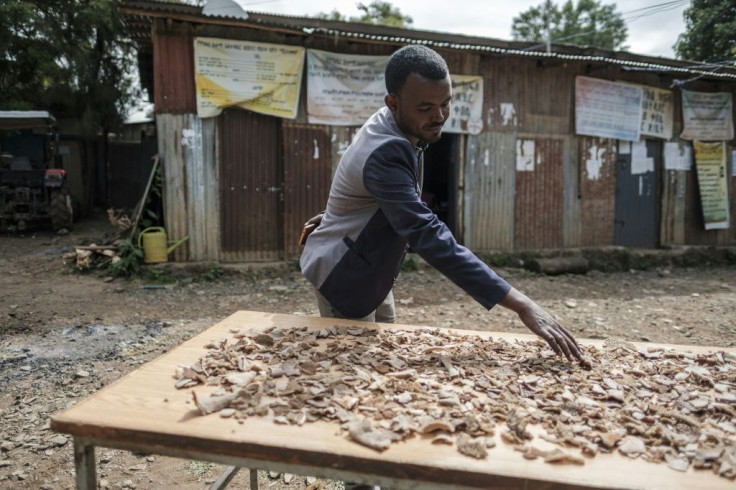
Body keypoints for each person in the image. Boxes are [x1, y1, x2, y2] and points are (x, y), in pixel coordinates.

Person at [300, 45, 588, 367]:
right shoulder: (386, 151)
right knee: (359, 369)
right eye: (425, 107)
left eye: (445, 103)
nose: (438, 116)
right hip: (345, 275)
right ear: (393, 103)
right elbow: (428, 235)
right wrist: (521, 304)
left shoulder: (394, 125)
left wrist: (338, 214)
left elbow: (365, 191)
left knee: (384, 351)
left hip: (370, 268)